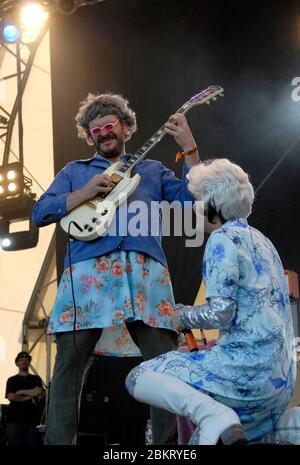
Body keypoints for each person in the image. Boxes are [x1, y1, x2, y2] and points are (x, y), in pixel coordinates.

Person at [32, 92, 200, 445]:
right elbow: (39, 213)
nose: (104, 133)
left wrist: (190, 148)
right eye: (96, 130)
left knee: (164, 366)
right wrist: (84, 192)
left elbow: (193, 203)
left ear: (124, 127)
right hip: (88, 276)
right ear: (89, 135)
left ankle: (163, 447)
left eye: (110, 125)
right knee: (68, 371)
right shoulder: (74, 172)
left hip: (145, 274)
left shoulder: (153, 171)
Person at [126, 158, 296, 445]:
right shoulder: (264, 241)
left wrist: (182, 316)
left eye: (197, 200)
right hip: (280, 378)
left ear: (212, 203)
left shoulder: (222, 240)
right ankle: (290, 425)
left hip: (245, 371)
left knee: (138, 377)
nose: (193, 208)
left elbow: (221, 313)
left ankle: (212, 414)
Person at [5, 351, 44, 445]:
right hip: (14, 421)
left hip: (32, 421)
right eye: (21, 360)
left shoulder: (36, 379)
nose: (24, 361)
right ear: (17, 363)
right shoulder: (11, 380)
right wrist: (30, 396)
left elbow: (39, 392)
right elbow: (11, 397)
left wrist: (20, 392)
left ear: (29, 362)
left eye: (26, 359)